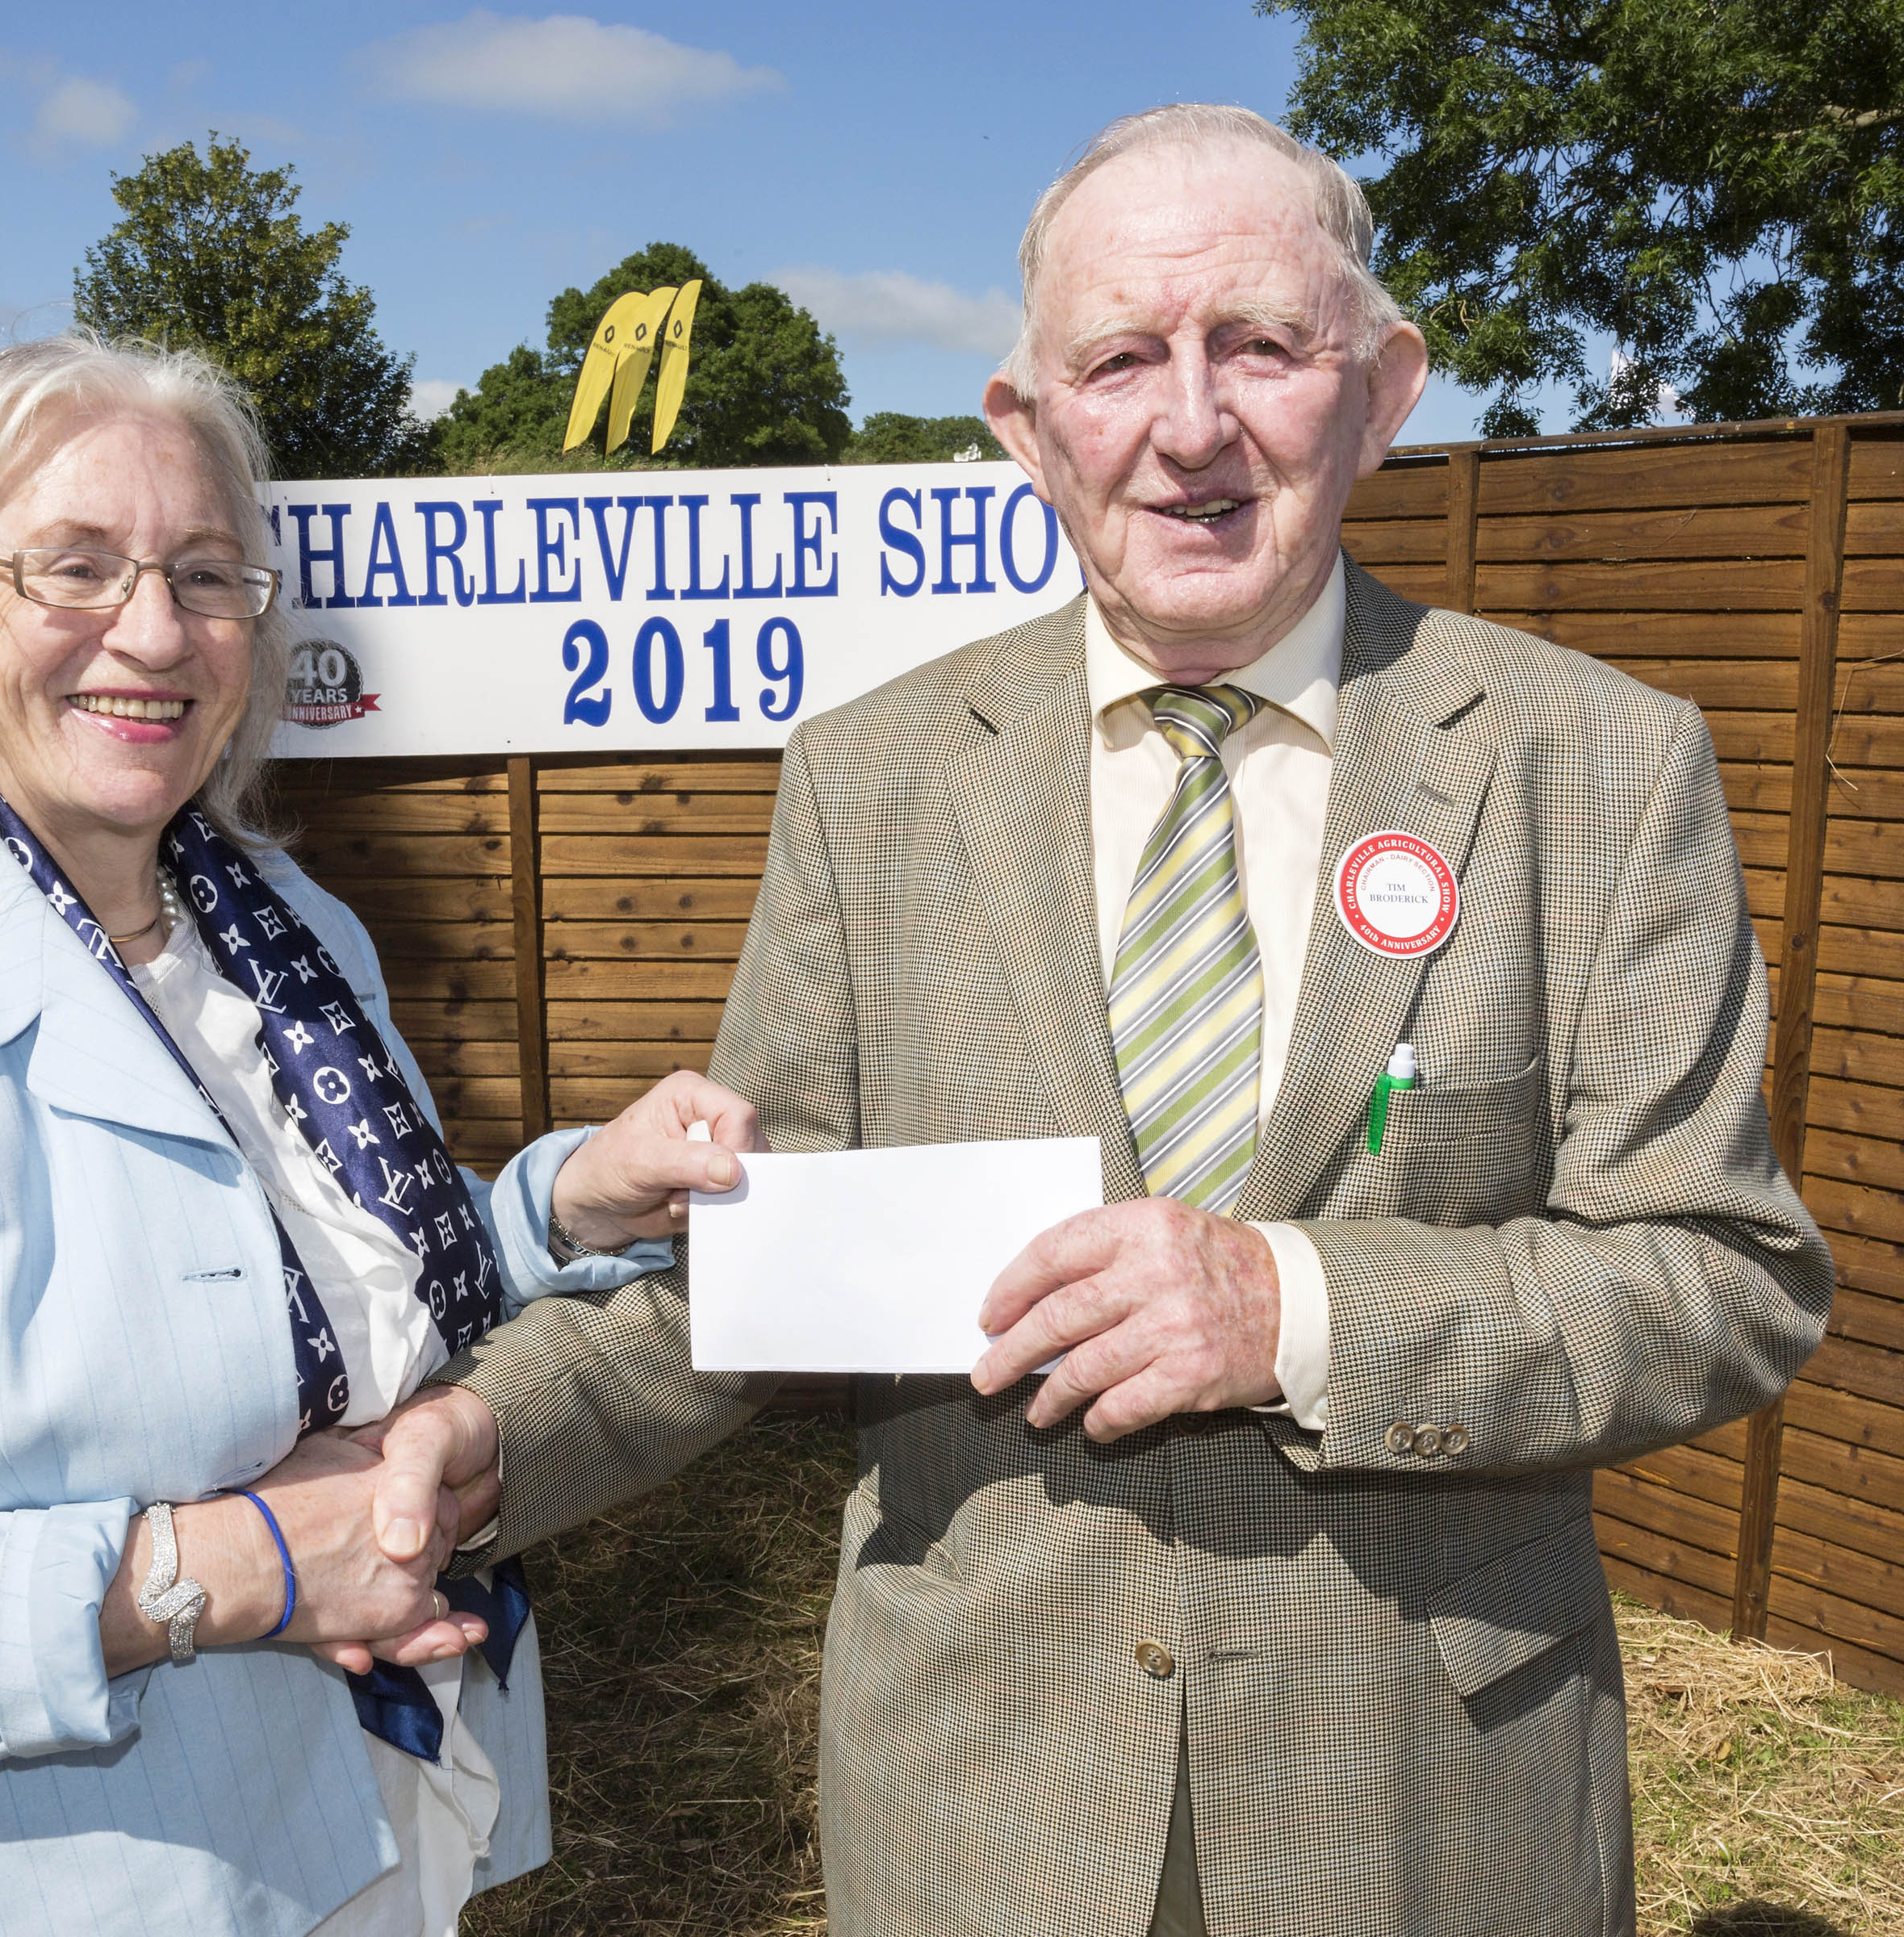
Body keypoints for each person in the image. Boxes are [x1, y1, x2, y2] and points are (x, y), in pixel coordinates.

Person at [369, 105, 1834, 1935]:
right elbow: (750, 1268)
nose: (1192, 427)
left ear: (1381, 392)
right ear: (1028, 425)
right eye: (1122, 359)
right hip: (984, 1807)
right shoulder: (874, 782)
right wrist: (484, 1444)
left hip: (1426, 1809)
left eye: (1261, 346)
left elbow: (1719, 1276)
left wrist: (1295, 1307)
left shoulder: (1595, 764)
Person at [0, 334, 755, 1936]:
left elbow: (315, 1291)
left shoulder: (285, 930)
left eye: (205, 575)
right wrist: (238, 1565)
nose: (152, 631)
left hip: (369, 1828)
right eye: (74, 567)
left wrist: (562, 1207)